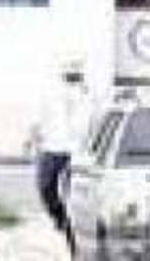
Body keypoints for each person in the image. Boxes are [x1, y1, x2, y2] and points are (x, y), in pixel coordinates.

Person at [27, 59, 97, 257]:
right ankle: (60, 220)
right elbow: (39, 117)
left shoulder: (88, 94)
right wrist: (32, 138)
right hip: (52, 147)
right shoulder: (51, 91)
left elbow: (94, 122)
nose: (72, 75)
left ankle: (74, 243)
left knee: (74, 198)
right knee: (45, 186)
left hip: (77, 152)